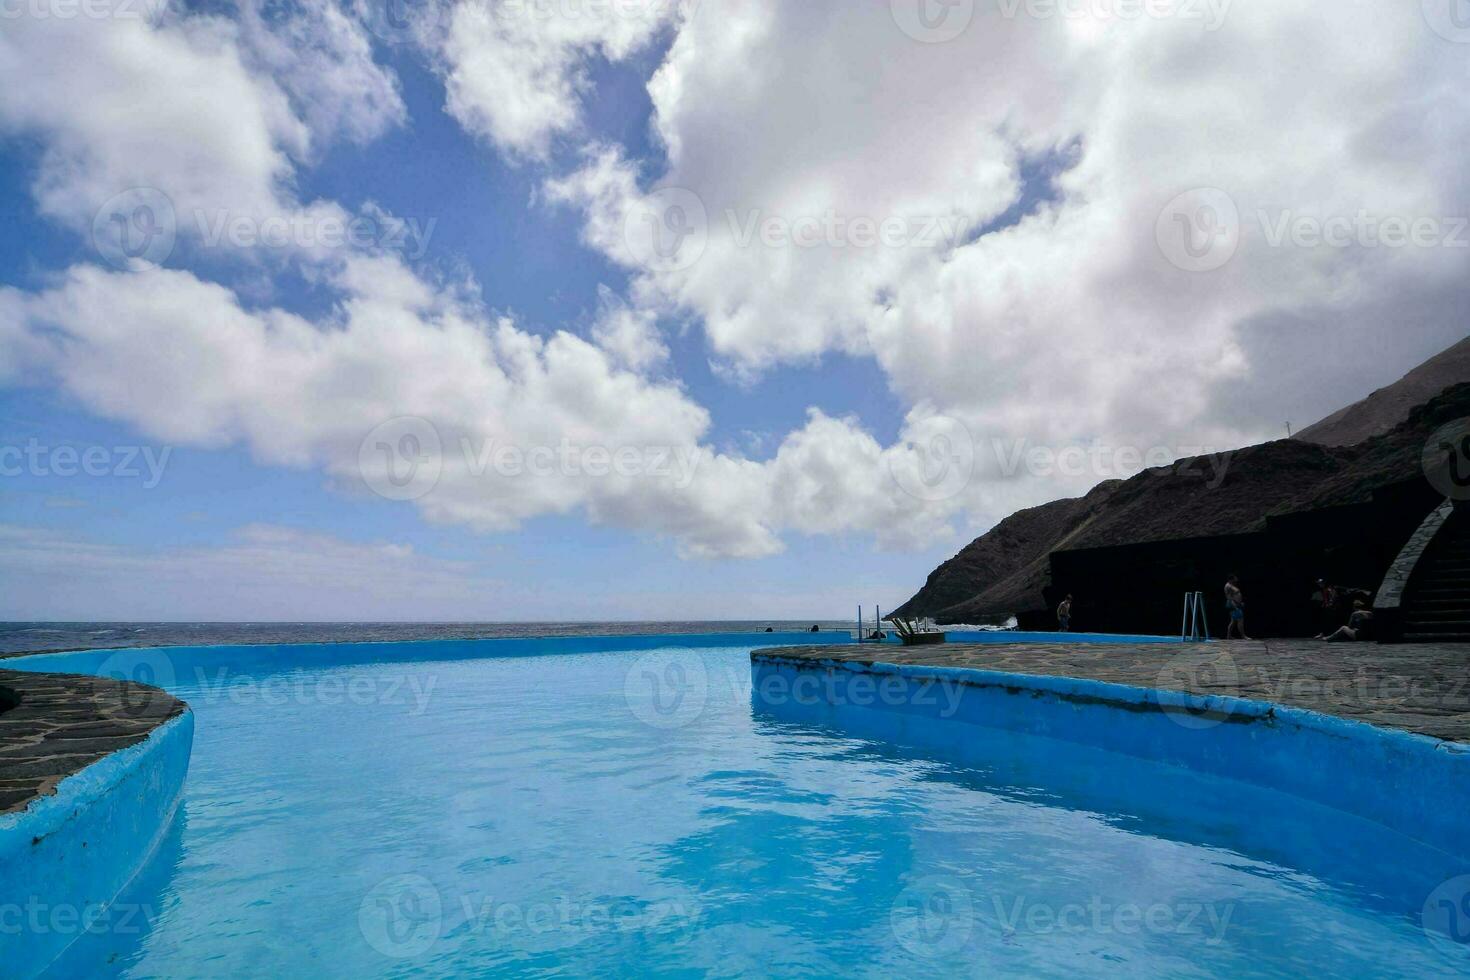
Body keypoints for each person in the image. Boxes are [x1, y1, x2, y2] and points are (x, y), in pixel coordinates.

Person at [1225, 575, 1250, 640]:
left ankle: (1229, 636)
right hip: (1233, 605)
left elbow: (1234, 595)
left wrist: (1240, 603)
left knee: (1233, 621)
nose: (1237, 579)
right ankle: (1243, 636)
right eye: (1235, 578)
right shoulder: (1228, 586)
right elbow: (1229, 597)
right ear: (1231, 579)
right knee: (1240, 620)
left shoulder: (1231, 585)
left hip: (1236, 604)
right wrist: (1235, 606)